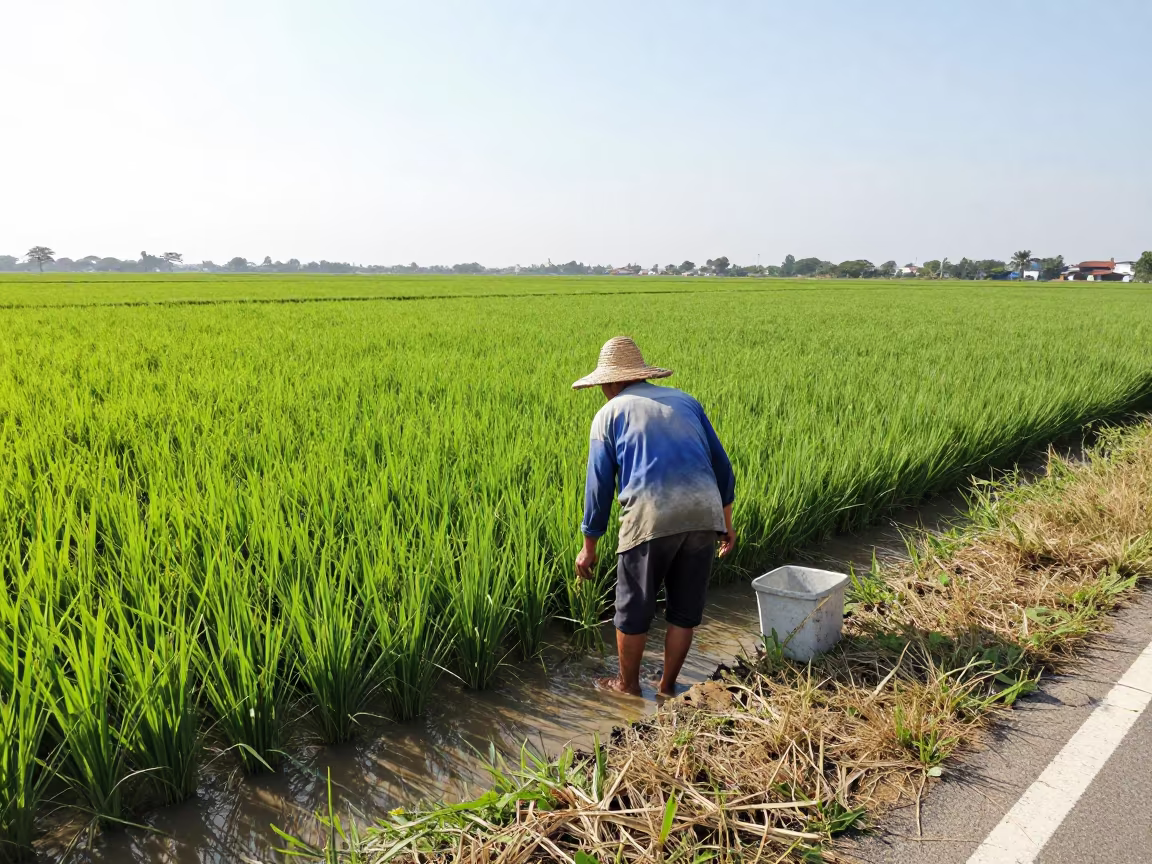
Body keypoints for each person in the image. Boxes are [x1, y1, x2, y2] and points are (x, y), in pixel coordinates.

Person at [572, 336, 736, 697]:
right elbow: (722, 467)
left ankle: (627, 687)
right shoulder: (685, 401)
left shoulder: (609, 414)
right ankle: (666, 687)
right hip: (704, 511)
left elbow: (598, 488)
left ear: (612, 382)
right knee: (684, 609)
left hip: (650, 516)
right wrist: (726, 520)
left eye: (603, 386)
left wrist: (589, 546)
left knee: (633, 608)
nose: (603, 392)